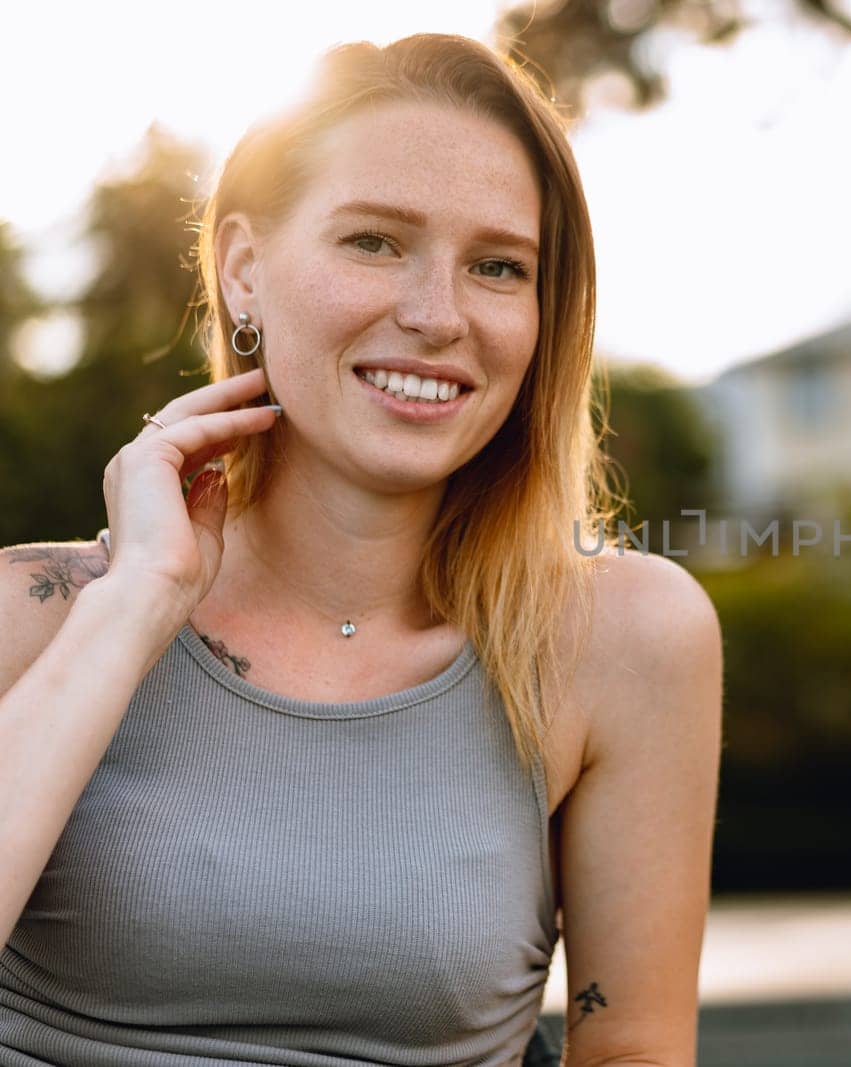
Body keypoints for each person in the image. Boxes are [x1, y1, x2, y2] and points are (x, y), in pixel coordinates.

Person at [0, 33, 722, 1066]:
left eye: (497, 266)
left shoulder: (623, 642)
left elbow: (636, 1052)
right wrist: (133, 603)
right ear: (245, 271)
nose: (436, 315)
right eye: (375, 242)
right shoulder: (33, 612)